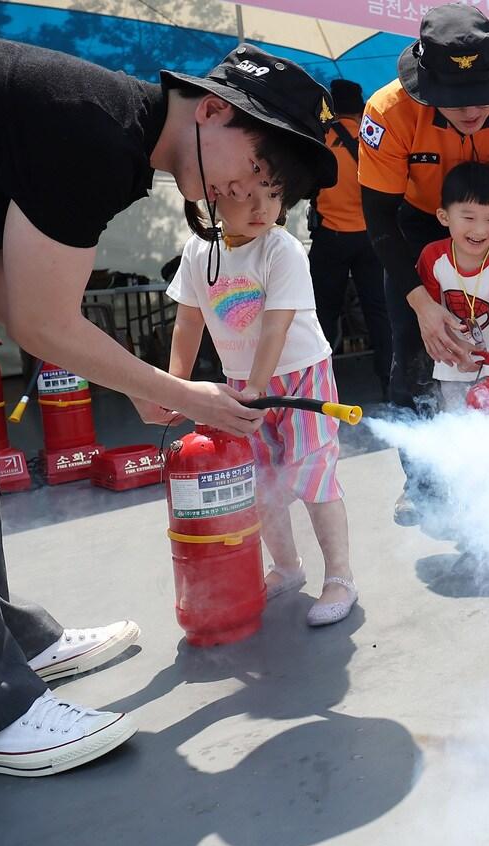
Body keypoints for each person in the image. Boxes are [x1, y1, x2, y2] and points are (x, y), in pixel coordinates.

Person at [0, 32, 336, 776]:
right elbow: (42, 324)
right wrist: (182, 393)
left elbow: (1, 296)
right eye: (257, 166)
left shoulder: (103, 133)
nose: (247, 195)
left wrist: (152, 388)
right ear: (214, 110)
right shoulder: (94, 131)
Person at [358, 5, 489, 525]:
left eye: (482, 95)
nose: (471, 109)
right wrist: (422, 304)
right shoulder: (387, 113)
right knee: (412, 353)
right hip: (414, 227)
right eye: (454, 98)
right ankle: (425, 482)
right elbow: (377, 218)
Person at [167, 177, 357, 626]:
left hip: (301, 380)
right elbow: (188, 323)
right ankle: (288, 568)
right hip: (242, 385)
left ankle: (341, 577)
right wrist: (174, 386)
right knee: (259, 483)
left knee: (313, 474)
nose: (262, 207)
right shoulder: (199, 251)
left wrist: (255, 387)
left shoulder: (282, 249)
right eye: (246, 195)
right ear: (214, 193)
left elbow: (276, 326)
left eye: (273, 195)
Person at [418, 162, 489, 411]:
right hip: (454, 360)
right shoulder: (432, 258)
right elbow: (429, 312)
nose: (480, 230)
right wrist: (456, 347)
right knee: (460, 426)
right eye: (468, 217)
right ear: (444, 216)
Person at [308, 79, 392, 401]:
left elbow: (308, 188)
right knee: (379, 313)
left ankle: (320, 390)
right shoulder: (372, 139)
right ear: (361, 107)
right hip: (371, 239)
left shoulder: (321, 139)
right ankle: (389, 383)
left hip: (330, 238)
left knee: (322, 315)